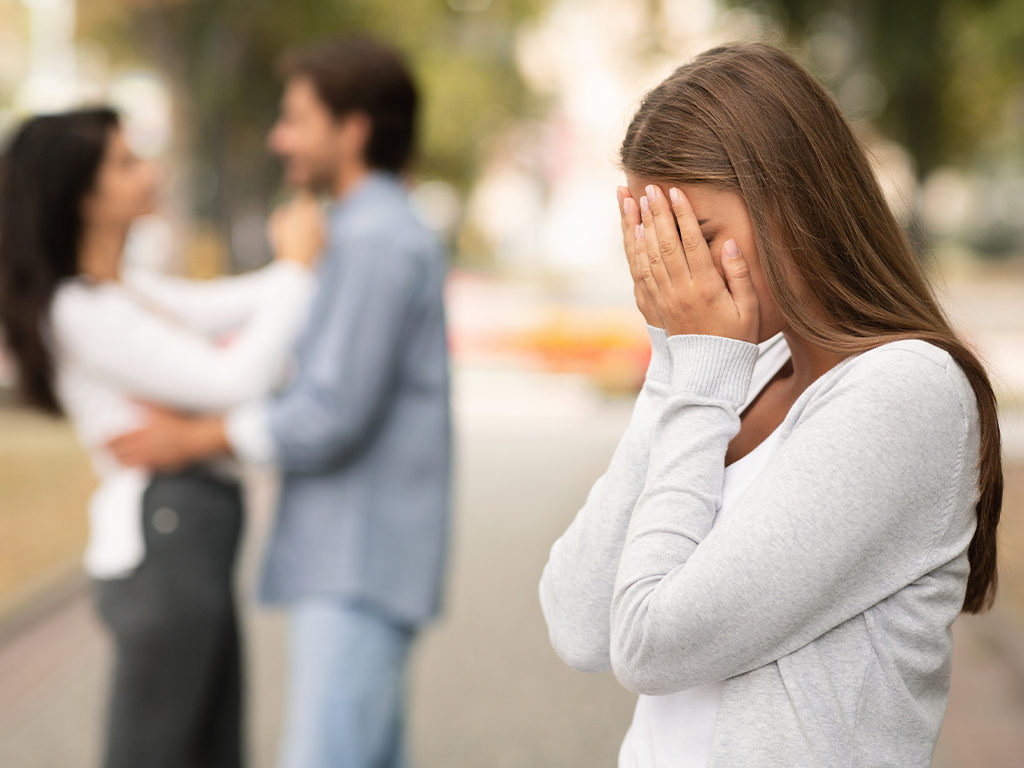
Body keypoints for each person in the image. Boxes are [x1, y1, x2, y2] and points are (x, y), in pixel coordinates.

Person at [539, 43, 1002, 768]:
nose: (675, 271)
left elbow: (650, 643)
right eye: (654, 244)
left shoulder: (908, 390)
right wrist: (672, 362)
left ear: (794, 203)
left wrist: (696, 375)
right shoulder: (735, 377)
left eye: (698, 237)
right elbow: (578, 622)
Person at [107, 37, 452, 768]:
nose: (278, 139)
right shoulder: (358, 234)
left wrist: (195, 439)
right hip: (356, 555)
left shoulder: (373, 242)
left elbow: (332, 412)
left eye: (296, 119)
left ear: (353, 129)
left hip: (356, 561)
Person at [0, 108, 321, 768]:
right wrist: (297, 268)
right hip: (165, 539)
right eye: (126, 162)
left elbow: (239, 302)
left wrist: (296, 262)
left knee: (209, 748)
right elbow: (232, 378)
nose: (151, 172)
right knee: (156, 752)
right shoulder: (79, 311)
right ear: (82, 197)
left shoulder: (124, 291)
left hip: (189, 539)